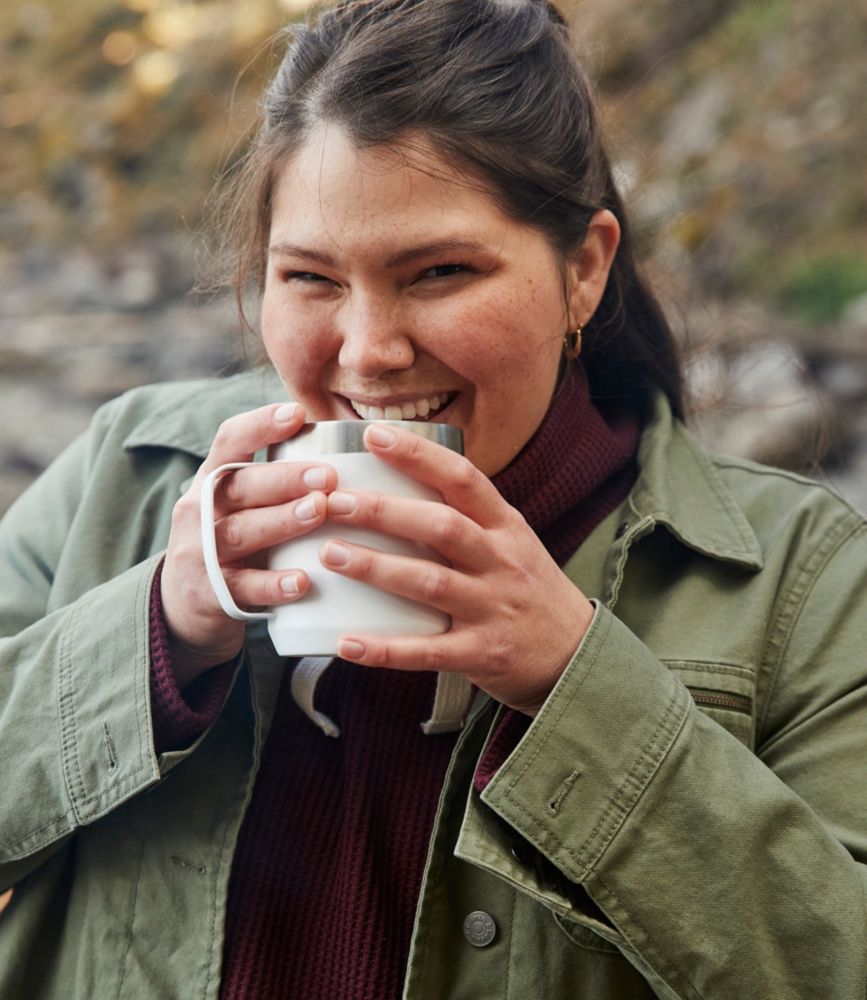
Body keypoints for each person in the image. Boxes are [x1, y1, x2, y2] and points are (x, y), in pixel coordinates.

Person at [1, 1, 865, 997]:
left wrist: (574, 684)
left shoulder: (803, 578)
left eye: (441, 272)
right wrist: (161, 625)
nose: (369, 350)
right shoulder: (132, 472)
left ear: (583, 269)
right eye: (310, 277)